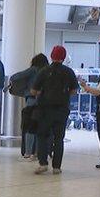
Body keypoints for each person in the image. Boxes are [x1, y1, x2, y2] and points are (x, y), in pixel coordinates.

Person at [31, 45, 79, 175]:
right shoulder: (69, 72)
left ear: (51, 56)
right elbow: (74, 90)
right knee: (59, 138)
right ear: (63, 57)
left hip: (44, 109)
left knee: (42, 135)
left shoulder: (44, 71)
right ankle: (57, 167)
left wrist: (41, 93)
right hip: (62, 109)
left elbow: (33, 90)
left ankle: (43, 163)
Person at [9, 53, 48, 160]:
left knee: (30, 127)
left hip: (31, 100)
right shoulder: (48, 71)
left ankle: (28, 152)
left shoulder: (33, 70)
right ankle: (37, 152)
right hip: (45, 102)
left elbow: (16, 77)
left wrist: (24, 89)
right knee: (41, 127)